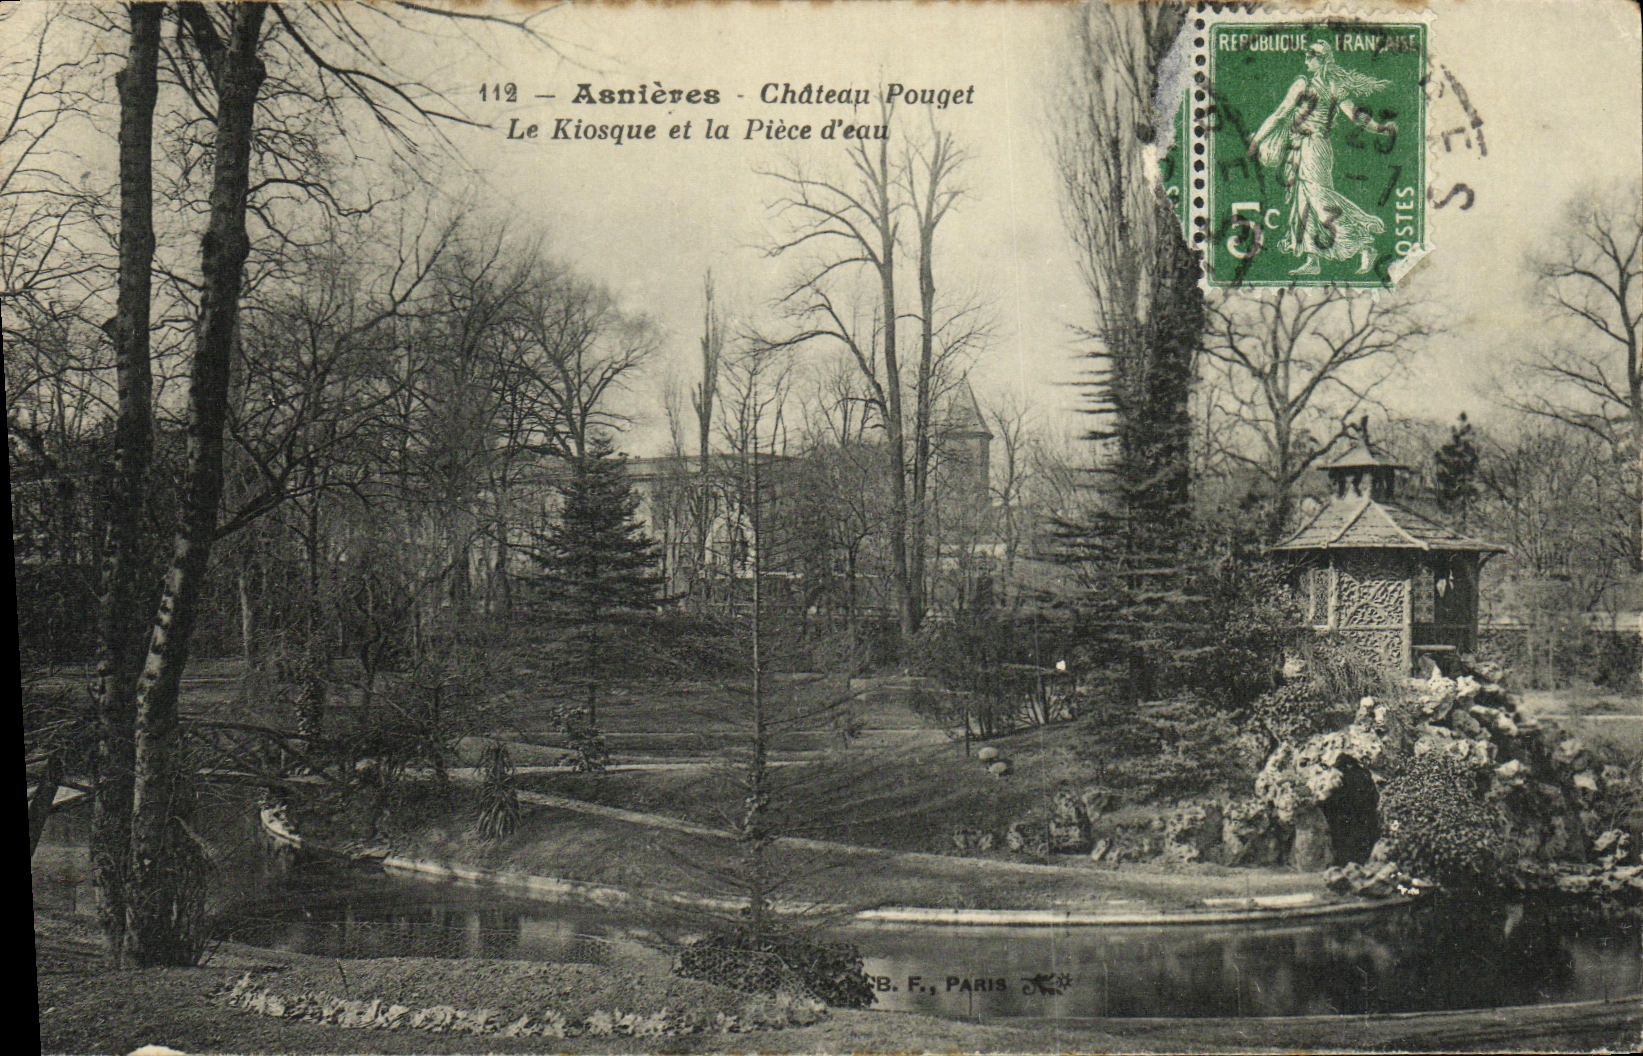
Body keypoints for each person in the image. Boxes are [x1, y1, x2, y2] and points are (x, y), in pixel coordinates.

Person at [1247, 41, 1398, 276]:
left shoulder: (1314, 85)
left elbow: (1355, 116)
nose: (1306, 61)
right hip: (1303, 148)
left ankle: (1363, 244)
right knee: (1303, 202)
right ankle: (1312, 260)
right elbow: (1281, 114)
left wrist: (1379, 128)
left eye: (1311, 56)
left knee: (1319, 201)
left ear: (1322, 60)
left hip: (1314, 148)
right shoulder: (1317, 84)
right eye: (1306, 56)